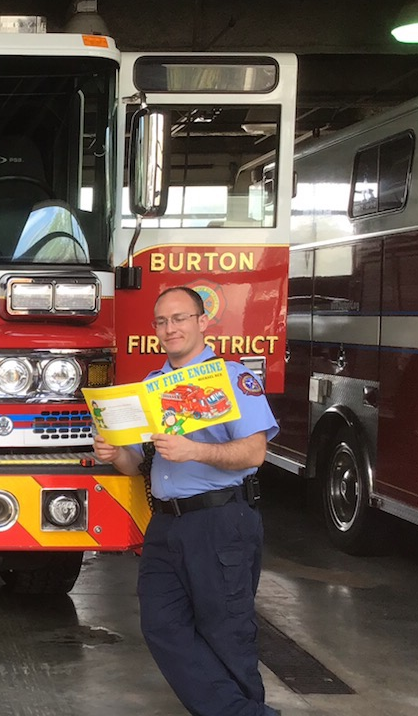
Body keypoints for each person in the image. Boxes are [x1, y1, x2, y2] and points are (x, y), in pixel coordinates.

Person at [93, 286, 279, 716]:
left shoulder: (232, 378)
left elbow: (254, 453)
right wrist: (115, 452)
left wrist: (195, 449)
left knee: (226, 632)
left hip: (220, 520)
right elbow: (134, 463)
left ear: (202, 321)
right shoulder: (151, 386)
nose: (169, 328)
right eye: (161, 321)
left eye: (179, 318)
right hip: (167, 525)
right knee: (162, 626)